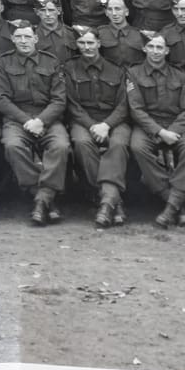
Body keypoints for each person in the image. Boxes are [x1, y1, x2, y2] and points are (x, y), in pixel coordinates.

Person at [0, 20, 70, 225]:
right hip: (18, 119)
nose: (23, 41)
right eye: (19, 37)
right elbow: (0, 98)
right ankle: (43, 196)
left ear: (36, 39)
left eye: (28, 37)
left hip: (48, 118)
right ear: (12, 39)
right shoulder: (4, 62)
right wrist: (27, 121)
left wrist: (41, 120)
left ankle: (41, 199)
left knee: (61, 146)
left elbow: (59, 99)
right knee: (12, 146)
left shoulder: (51, 61)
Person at [126, 30, 185, 227]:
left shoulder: (180, 74)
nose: (155, 51)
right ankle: (174, 201)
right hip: (149, 126)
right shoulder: (134, 73)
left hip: (178, 125)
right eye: (151, 47)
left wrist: (173, 130)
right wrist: (160, 132)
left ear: (167, 51)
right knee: (137, 147)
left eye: (160, 47)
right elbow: (136, 109)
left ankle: (171, 206)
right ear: (144, 48)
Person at [64, 24, 130, 227]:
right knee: (82, 143)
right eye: (82, 43)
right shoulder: (69, 68)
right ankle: (110, 199)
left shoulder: (116, 69)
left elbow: (124, 104)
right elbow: (72, 104)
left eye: (90, 42)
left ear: (99, 44)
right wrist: (93, 125)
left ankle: (105, 201)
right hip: (84, 120)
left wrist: (106, 125)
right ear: (77, 45)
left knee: (118, 144)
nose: (87, 47)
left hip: (114, 120)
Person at [97, 0, 145, 69]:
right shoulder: (100, 34)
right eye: (110, 9)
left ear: (126, 12)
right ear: (106, 13)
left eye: (118, 9)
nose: (114, 13)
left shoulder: (140, 34)